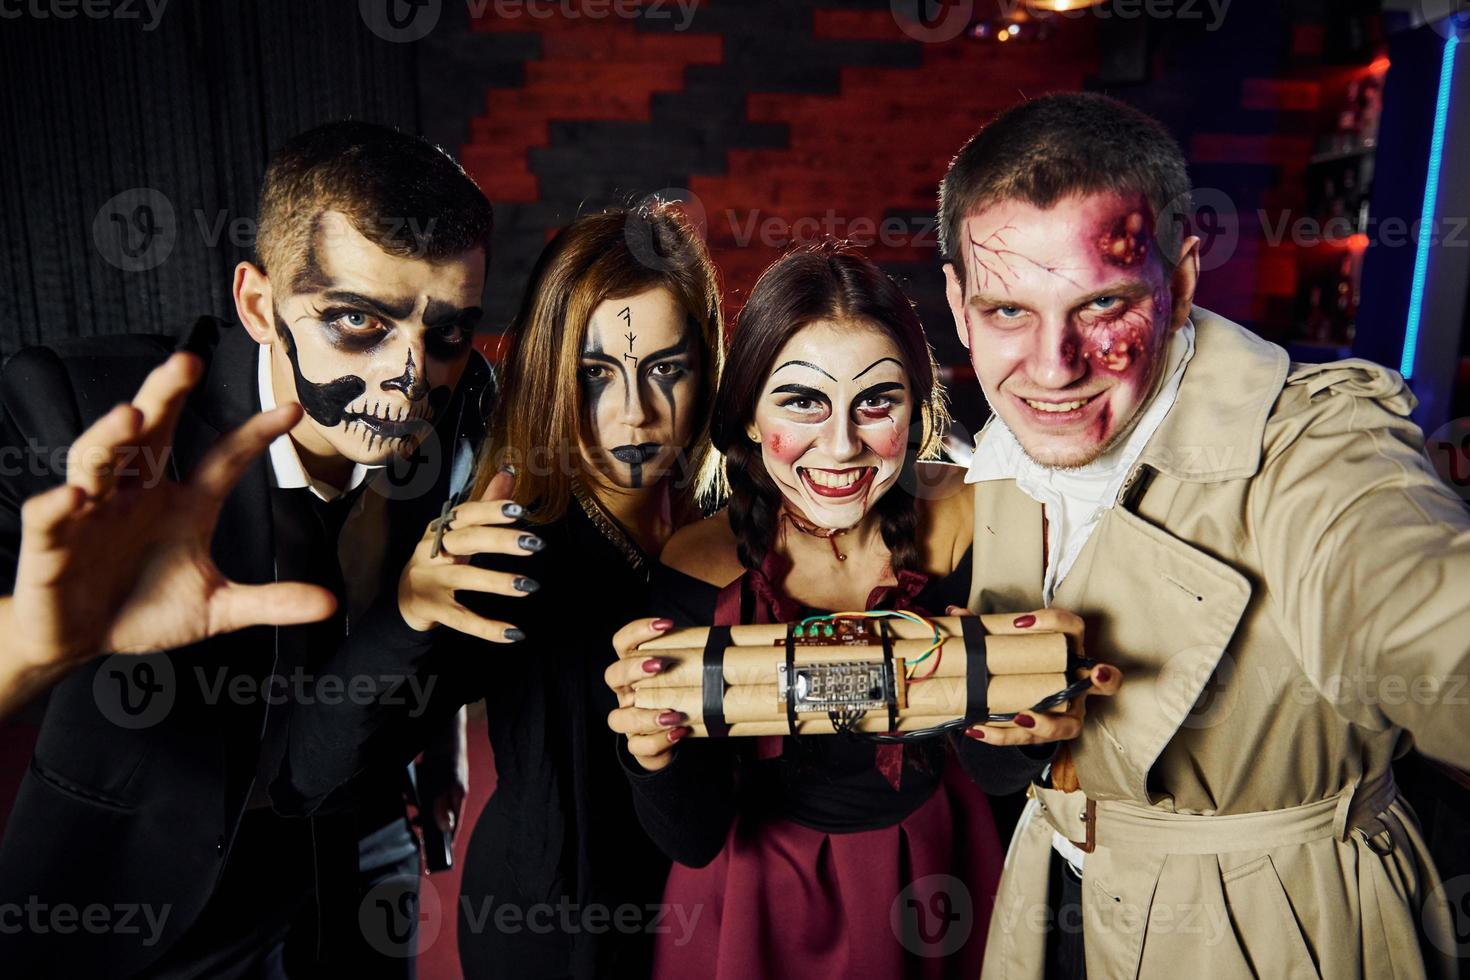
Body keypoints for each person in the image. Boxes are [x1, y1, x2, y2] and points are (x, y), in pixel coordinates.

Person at [935, 92, 1470, 978]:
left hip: (1277, 934)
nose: (1053, 366)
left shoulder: (1317, 449)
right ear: (958, 304)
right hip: (1052, 915)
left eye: (1103, 306)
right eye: (1007, 313)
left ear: (1180, 283)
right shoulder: (996, 455)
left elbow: (1415, 609)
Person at [0, 120, 523, 978]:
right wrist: (38, 638)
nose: (406, 376)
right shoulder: (87, 412)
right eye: (357, 320)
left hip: (352, 872)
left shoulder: (463, 400)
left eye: (445, 334)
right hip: (121, 915)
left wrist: (443, 740)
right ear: (257, 304)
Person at [605, 245, 1121, 979]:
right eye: (802, 401)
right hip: (754, 902)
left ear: (915, 411)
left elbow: (996, 776)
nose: (842, 445)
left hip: (943, 878)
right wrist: (650, 758)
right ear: (749, 415)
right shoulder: (698, 565)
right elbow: (690, 838)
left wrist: (1033, 727)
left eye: (876, 402)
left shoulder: (979, 519)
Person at [275, 202, 726, 978]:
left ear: (706, 364)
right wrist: (409, 611)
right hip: (555, 938)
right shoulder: (511, 549)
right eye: (595, 375)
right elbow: (311, 775)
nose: (635, 412)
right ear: (552, 371)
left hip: (726, 916)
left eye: (665, 368)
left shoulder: (732, 520)